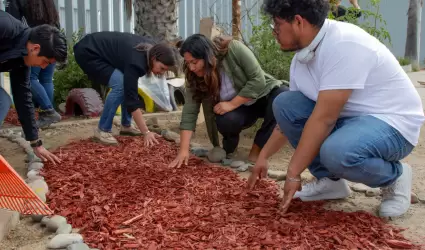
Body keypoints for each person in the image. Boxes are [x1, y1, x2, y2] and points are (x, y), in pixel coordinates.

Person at [248, 0, 425, 218]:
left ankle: (395, 177)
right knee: (285, 104)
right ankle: (330, 183)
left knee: (337, 152)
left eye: (277, 25)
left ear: (298, 22)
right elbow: (288, 123)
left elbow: (324, 119)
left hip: (393, 124)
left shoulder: (343, 44)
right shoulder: (301, 60)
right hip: (352, 122)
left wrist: (293, 173)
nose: (274, 32)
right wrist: (263, 156)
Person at [168, 34, 289, 169]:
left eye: (194, 62)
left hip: (262, 96)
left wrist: (231, 104)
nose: (191, 68)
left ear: (208, 56)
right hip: (241, 110)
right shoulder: (193, 76)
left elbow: (258, 80)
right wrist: (183, 150)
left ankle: (257, 151)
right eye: (188, 62)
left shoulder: (233, 49)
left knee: (282, 97)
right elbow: (190, 111)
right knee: (226, 120)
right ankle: (229, 149)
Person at [73, 31, 178, 146]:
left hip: (95, 48)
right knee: (120, 85)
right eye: (161, 68)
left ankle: (126, 125)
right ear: (153, 58)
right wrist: (146, 132)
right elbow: (132, 101)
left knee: (127, 83)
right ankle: (102, 130)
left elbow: (131, 88)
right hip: (88, 52)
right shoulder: (137, 62)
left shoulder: (152, 50)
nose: (161, 73)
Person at [0, 10, 67, 164]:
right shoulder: (5, 27)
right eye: (45, 61)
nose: (43, 67)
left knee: (2, 101)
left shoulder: (21, 60)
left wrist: (35, 142)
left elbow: (23, 98)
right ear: (35, 48)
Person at [6, 0, 63, 128]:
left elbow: (13, 21)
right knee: (46, 80)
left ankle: (48, 111)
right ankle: (47, 116)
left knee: (30, 79)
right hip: (53, 41)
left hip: (35, 43)